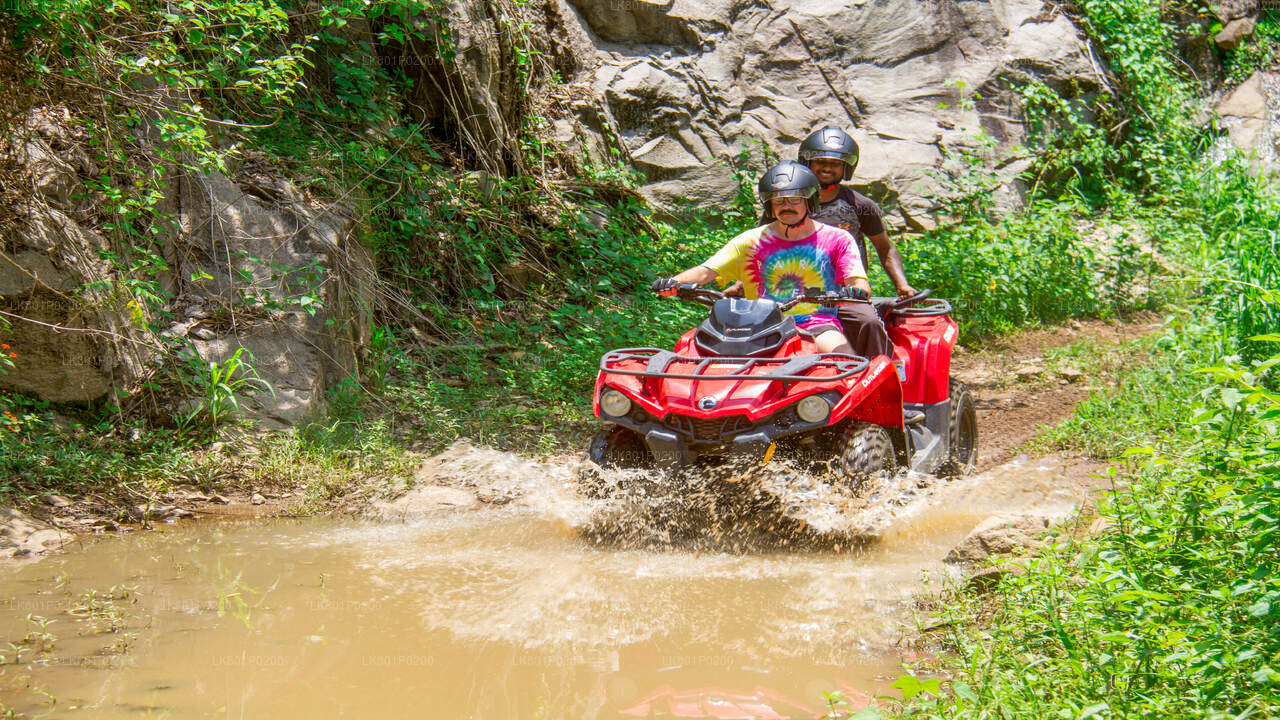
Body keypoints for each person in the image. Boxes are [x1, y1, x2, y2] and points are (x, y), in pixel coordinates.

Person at [654, 161, 892, 358]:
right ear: (770, 205)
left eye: (794, 199)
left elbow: (859, 284)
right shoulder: (751, 240)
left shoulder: (838, 238)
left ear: (809, 202)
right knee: (688, 359)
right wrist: (672, 283)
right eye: (778, 201)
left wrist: (856, 291)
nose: (785, 206)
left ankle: (855, 414)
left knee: (843, 362)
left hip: (815, 324)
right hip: (752, 327)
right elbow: (706, 271)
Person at [797, 126, 917, 300]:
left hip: (847, 294)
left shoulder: (860, 205)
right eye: (821, 161)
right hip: (792, 289)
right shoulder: (789, 203)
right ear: (808, 163)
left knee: (869, 324)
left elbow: (885, 248)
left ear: (846, 167)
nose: (827, 168)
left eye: (835, 163)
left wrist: (902, 285)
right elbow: (758, 243)